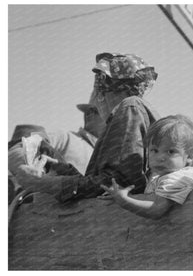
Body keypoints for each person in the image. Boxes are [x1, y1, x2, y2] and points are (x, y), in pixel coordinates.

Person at [15, 52, 160, 202]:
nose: (99, 99)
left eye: (99, 93)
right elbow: (108, 183)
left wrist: (44, 183)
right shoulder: (136, 110)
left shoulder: (129, 108)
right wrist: (64, 170)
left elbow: (117, 185)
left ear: (104, 90)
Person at [101, 114, 193, 219]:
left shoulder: (178, 178)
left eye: (171, 151)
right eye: (155, 150)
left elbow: (156, 209)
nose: (160, 157)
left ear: (190, 155)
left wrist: (125, 201)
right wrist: (123, 195)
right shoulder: (162, 178)